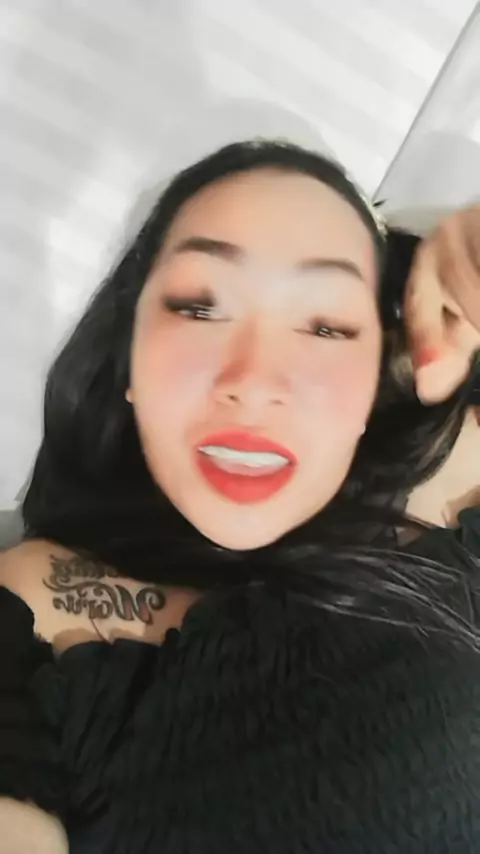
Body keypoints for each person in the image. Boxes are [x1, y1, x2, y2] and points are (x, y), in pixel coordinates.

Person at [0, 139, 479, 853]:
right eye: (199, 308)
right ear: (128, 360)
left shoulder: (448, 479)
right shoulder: (34, 605)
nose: (254, 380)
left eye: (326, 327)